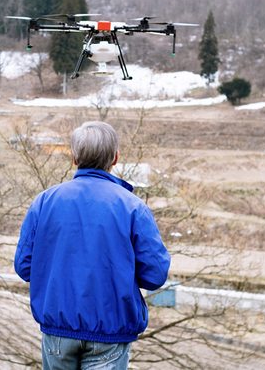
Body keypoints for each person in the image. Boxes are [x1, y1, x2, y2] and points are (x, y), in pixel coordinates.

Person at [14, 121, 171, 369]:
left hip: (57, 331)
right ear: (115, 158)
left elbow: (24, 266)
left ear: (75, 158)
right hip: (110, 332)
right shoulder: (133, 207)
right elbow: (155, 275)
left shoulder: (44, 202)